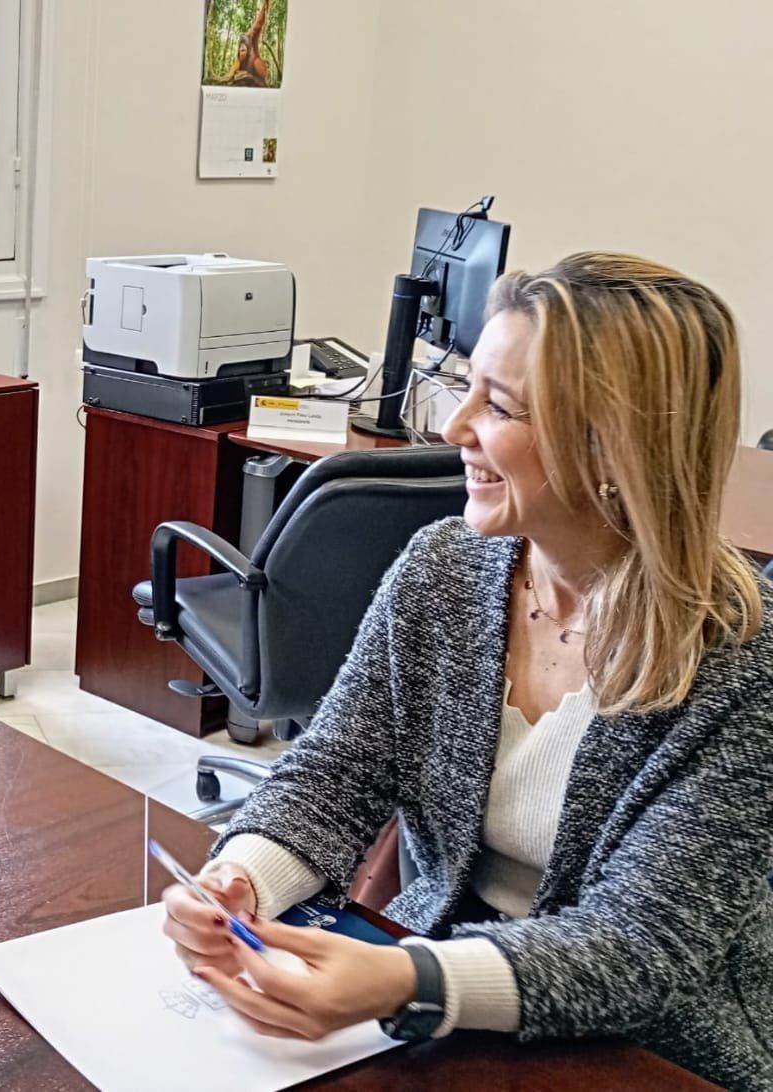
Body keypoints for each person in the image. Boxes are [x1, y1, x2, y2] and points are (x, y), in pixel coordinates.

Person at [162, 253, 773, 1089]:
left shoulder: (744, 659)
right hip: (445, 1001)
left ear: (613, 448)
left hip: (654, 1052)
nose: (455, 429)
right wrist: (244, 877)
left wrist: (410, 982)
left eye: (502, 406)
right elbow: (336, 773)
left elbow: (645, 947)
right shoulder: (444, 569)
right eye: (469, 387)